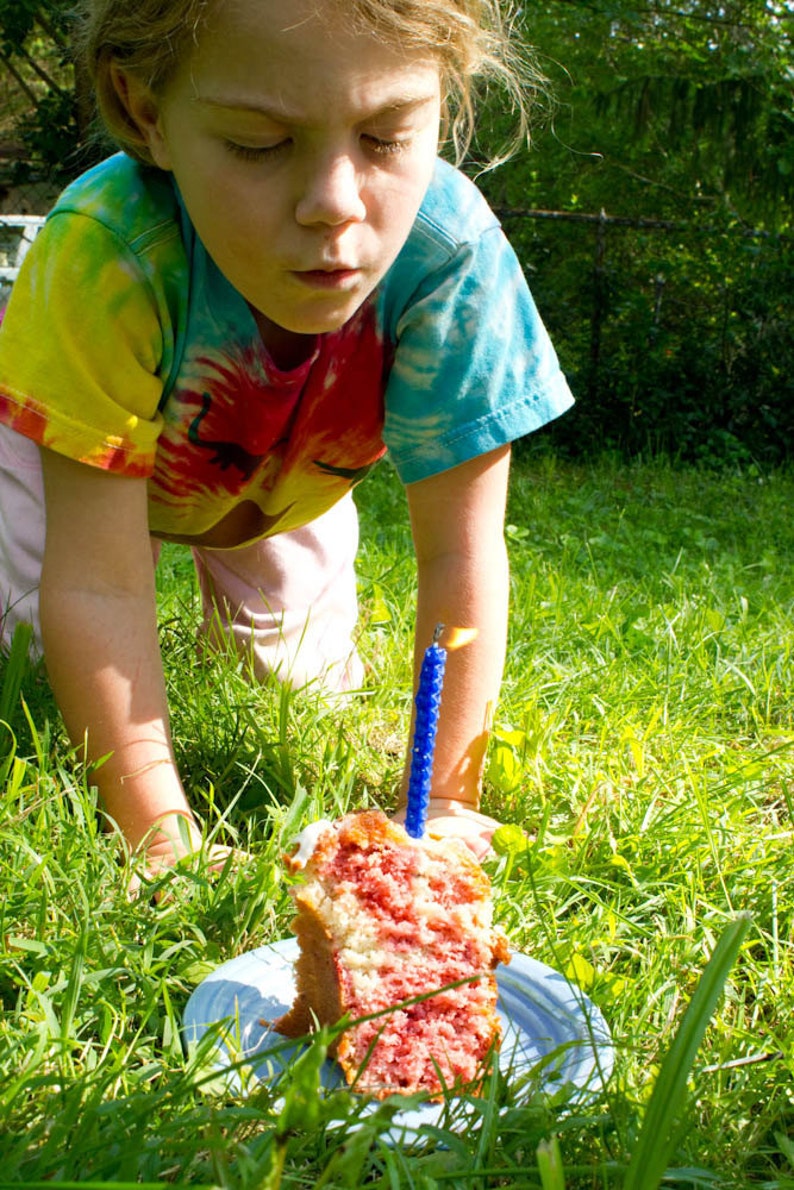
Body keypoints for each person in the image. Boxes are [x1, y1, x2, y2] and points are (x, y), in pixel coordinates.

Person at [0, 0, 573, 877]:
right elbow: (99, 586)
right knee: (33, 664)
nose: (334, 205)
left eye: (386, 136)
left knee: (295, 685)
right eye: (259, 144)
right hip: (77, 460)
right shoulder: (107, 251)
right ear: (146, 108)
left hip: (288, 471)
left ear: (444, 106)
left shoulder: (449, 258)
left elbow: (460, 556)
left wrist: (448, 812)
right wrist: (159, 837)